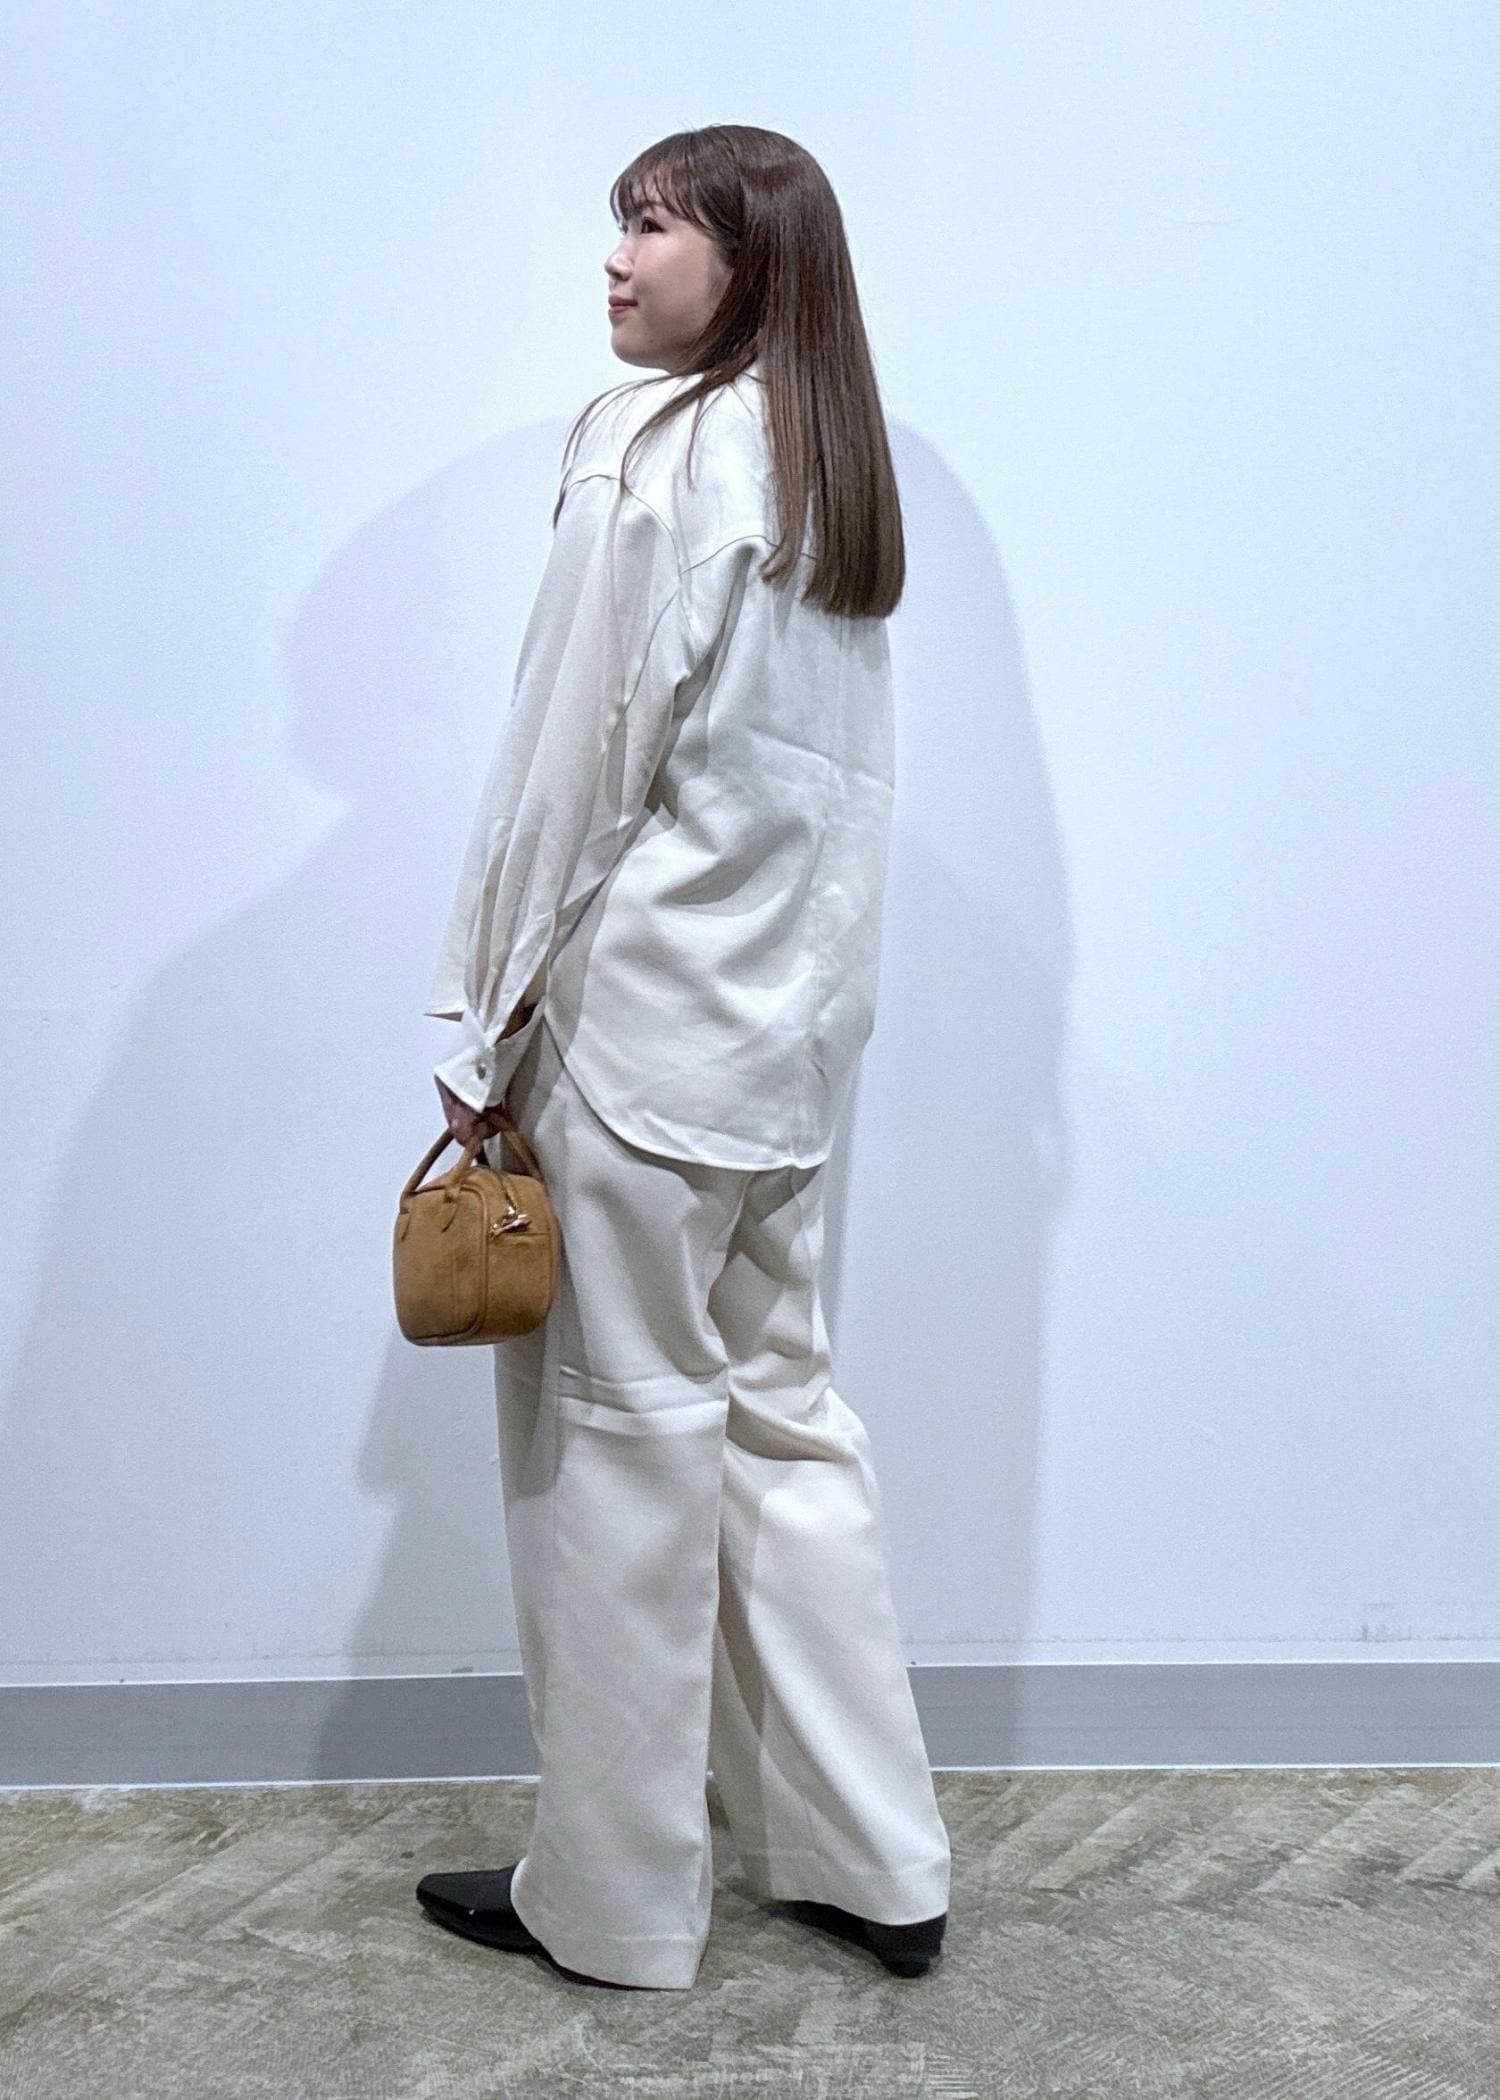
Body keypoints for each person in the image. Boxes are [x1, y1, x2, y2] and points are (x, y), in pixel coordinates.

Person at [414, 124, 951, 1992]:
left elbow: (570, 757)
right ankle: (877, 1858)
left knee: (618, 1457)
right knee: (784, 1427)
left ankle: (612, 1902)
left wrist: (480, 1017)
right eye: (619, 225)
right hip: (784, 1056)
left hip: (636, 1047)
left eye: (653, 224)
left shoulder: (651, 448)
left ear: (753, 256)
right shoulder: (833, 473)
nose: (617, 260)